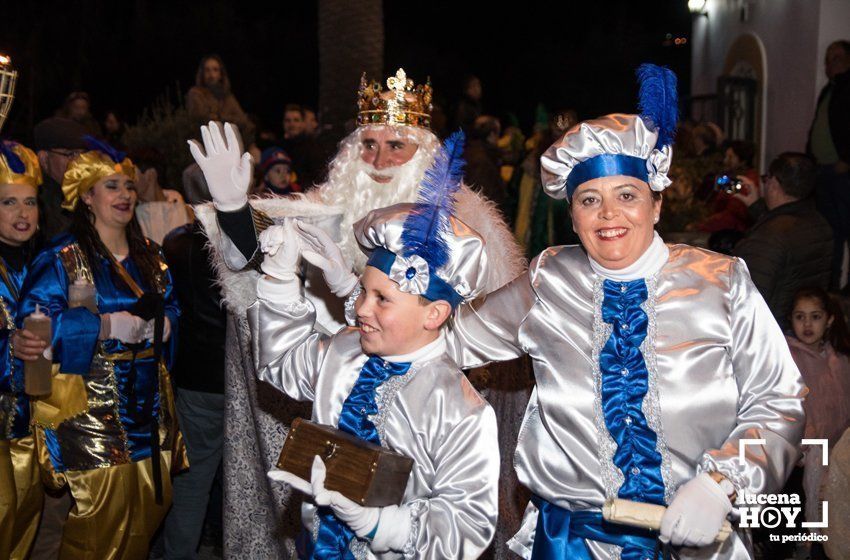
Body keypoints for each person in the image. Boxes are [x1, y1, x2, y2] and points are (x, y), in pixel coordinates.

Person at [430, 64, 804, 558]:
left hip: (699, 542)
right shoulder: (547, 280)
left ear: (656, 205)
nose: (609, 215)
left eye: (627, 196)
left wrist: (721, 485)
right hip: (573, 545)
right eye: (589, 200)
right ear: (573, 215)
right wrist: (372, 293)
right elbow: (441, 341)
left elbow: (779, 399)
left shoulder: (722, 282)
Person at [190, 67, 525, 557]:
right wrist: (235, 208)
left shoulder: (469, 229)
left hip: (426, 435)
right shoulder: (332, 205)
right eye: (368, 144)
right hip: (323, 393)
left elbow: (481, 342)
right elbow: (261, 259)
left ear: (424, 154)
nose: (379, 160)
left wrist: (349, 290)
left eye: (396, 146)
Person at [257, 134, 499, 557]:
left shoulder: (458, 406)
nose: (360, 309)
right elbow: (279, 363)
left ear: (434, 314)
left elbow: (468, 520)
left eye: (382, 299)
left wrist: (379, 524)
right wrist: (279, 281)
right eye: (364, 292)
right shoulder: (344, 350)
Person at [19, 139, 184, 560]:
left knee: (148, 512)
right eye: (111, 186)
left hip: (148, 407)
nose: (125, 195)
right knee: (98, 524)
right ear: (87, 197)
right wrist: (103, 325)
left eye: (128, 186)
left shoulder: (152, 256)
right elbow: (35, 328)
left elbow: (174, 307)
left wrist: (166, 325)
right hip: (91, 410)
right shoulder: (61, 257)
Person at [160, 220, 227, 560]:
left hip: (198, 374)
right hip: (240, 377)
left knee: (194, 479)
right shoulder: (251, 236)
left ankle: (179, 553)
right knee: (239, 476)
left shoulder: (176, 242)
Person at [0, 141, 43, 560]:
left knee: (25, 519)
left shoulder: (45, 261)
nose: (22, 213)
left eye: (29, 202)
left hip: (31, 420)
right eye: (9, 202)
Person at [733, 153, 832, 329]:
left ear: (774, 183)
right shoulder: (819, 223)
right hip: (804, 329)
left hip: (772, 334)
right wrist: (758, 208)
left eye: (766, 179)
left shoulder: (770, 235)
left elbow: (748, 297)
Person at [786, 288, 850, 530]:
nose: (807, 324)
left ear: (829, 319)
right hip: (804, 446)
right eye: (799, 316)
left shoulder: (839, 357)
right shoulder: (787, 355)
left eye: (815, 316)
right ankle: (813, 534)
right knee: (817, 472)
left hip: (838, 441)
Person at [808, 40, 850, 289]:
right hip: (823, 171)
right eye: (827, 58)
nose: (829, 63)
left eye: (835, 57)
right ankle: (831, 284)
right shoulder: (829, 89)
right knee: (829, 232)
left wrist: (846, 160)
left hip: (842, 172)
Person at [33, 116, 89, 239]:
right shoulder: (36, 202)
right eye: (71, 154)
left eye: (83, 155)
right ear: (43, 159)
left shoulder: (88, 191)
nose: (79, 162)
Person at [186, 54, 253, 143]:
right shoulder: (196, 93)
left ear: (221, 74)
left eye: (215, 70)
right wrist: (229, 119)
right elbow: (203, 119)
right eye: (207, 70)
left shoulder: (227, 96)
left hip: (230, 142)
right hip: (206, 142)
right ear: (202, 74)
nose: (211, 74)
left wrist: (221, 118)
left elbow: (243, 120)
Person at [280, 104, 325, 190]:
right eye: (287, 120)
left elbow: (319, 180)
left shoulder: (313, 149)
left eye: (296, 120)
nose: (292, 124)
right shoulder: (278, 148)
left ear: (303, 123)